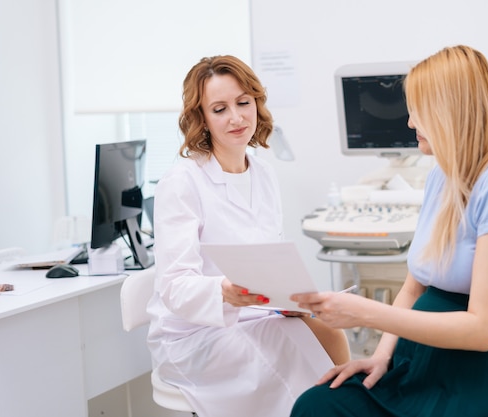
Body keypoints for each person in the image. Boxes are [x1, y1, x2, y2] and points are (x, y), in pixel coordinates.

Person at [290, 45, 488, 417]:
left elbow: (483, 331)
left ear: (448, 112)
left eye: (417, 111)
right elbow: (414, 286)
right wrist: (381, 356)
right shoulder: (441, 175)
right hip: (427, 361)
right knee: (318, 406)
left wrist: (367, 313)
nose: (410, 123)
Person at [146, 55, 350, 417]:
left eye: (243, 102)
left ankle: (342, 408)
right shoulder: (181, 182)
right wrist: (223, 292)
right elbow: (174, 286)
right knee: (290, 349)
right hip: (195, 336)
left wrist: (292, 297)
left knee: (330, 332)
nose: (237, 117)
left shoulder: (264, 174)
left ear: (256, 102)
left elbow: (271, 260)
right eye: (220, 108)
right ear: (202, 118)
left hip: (258, 315)